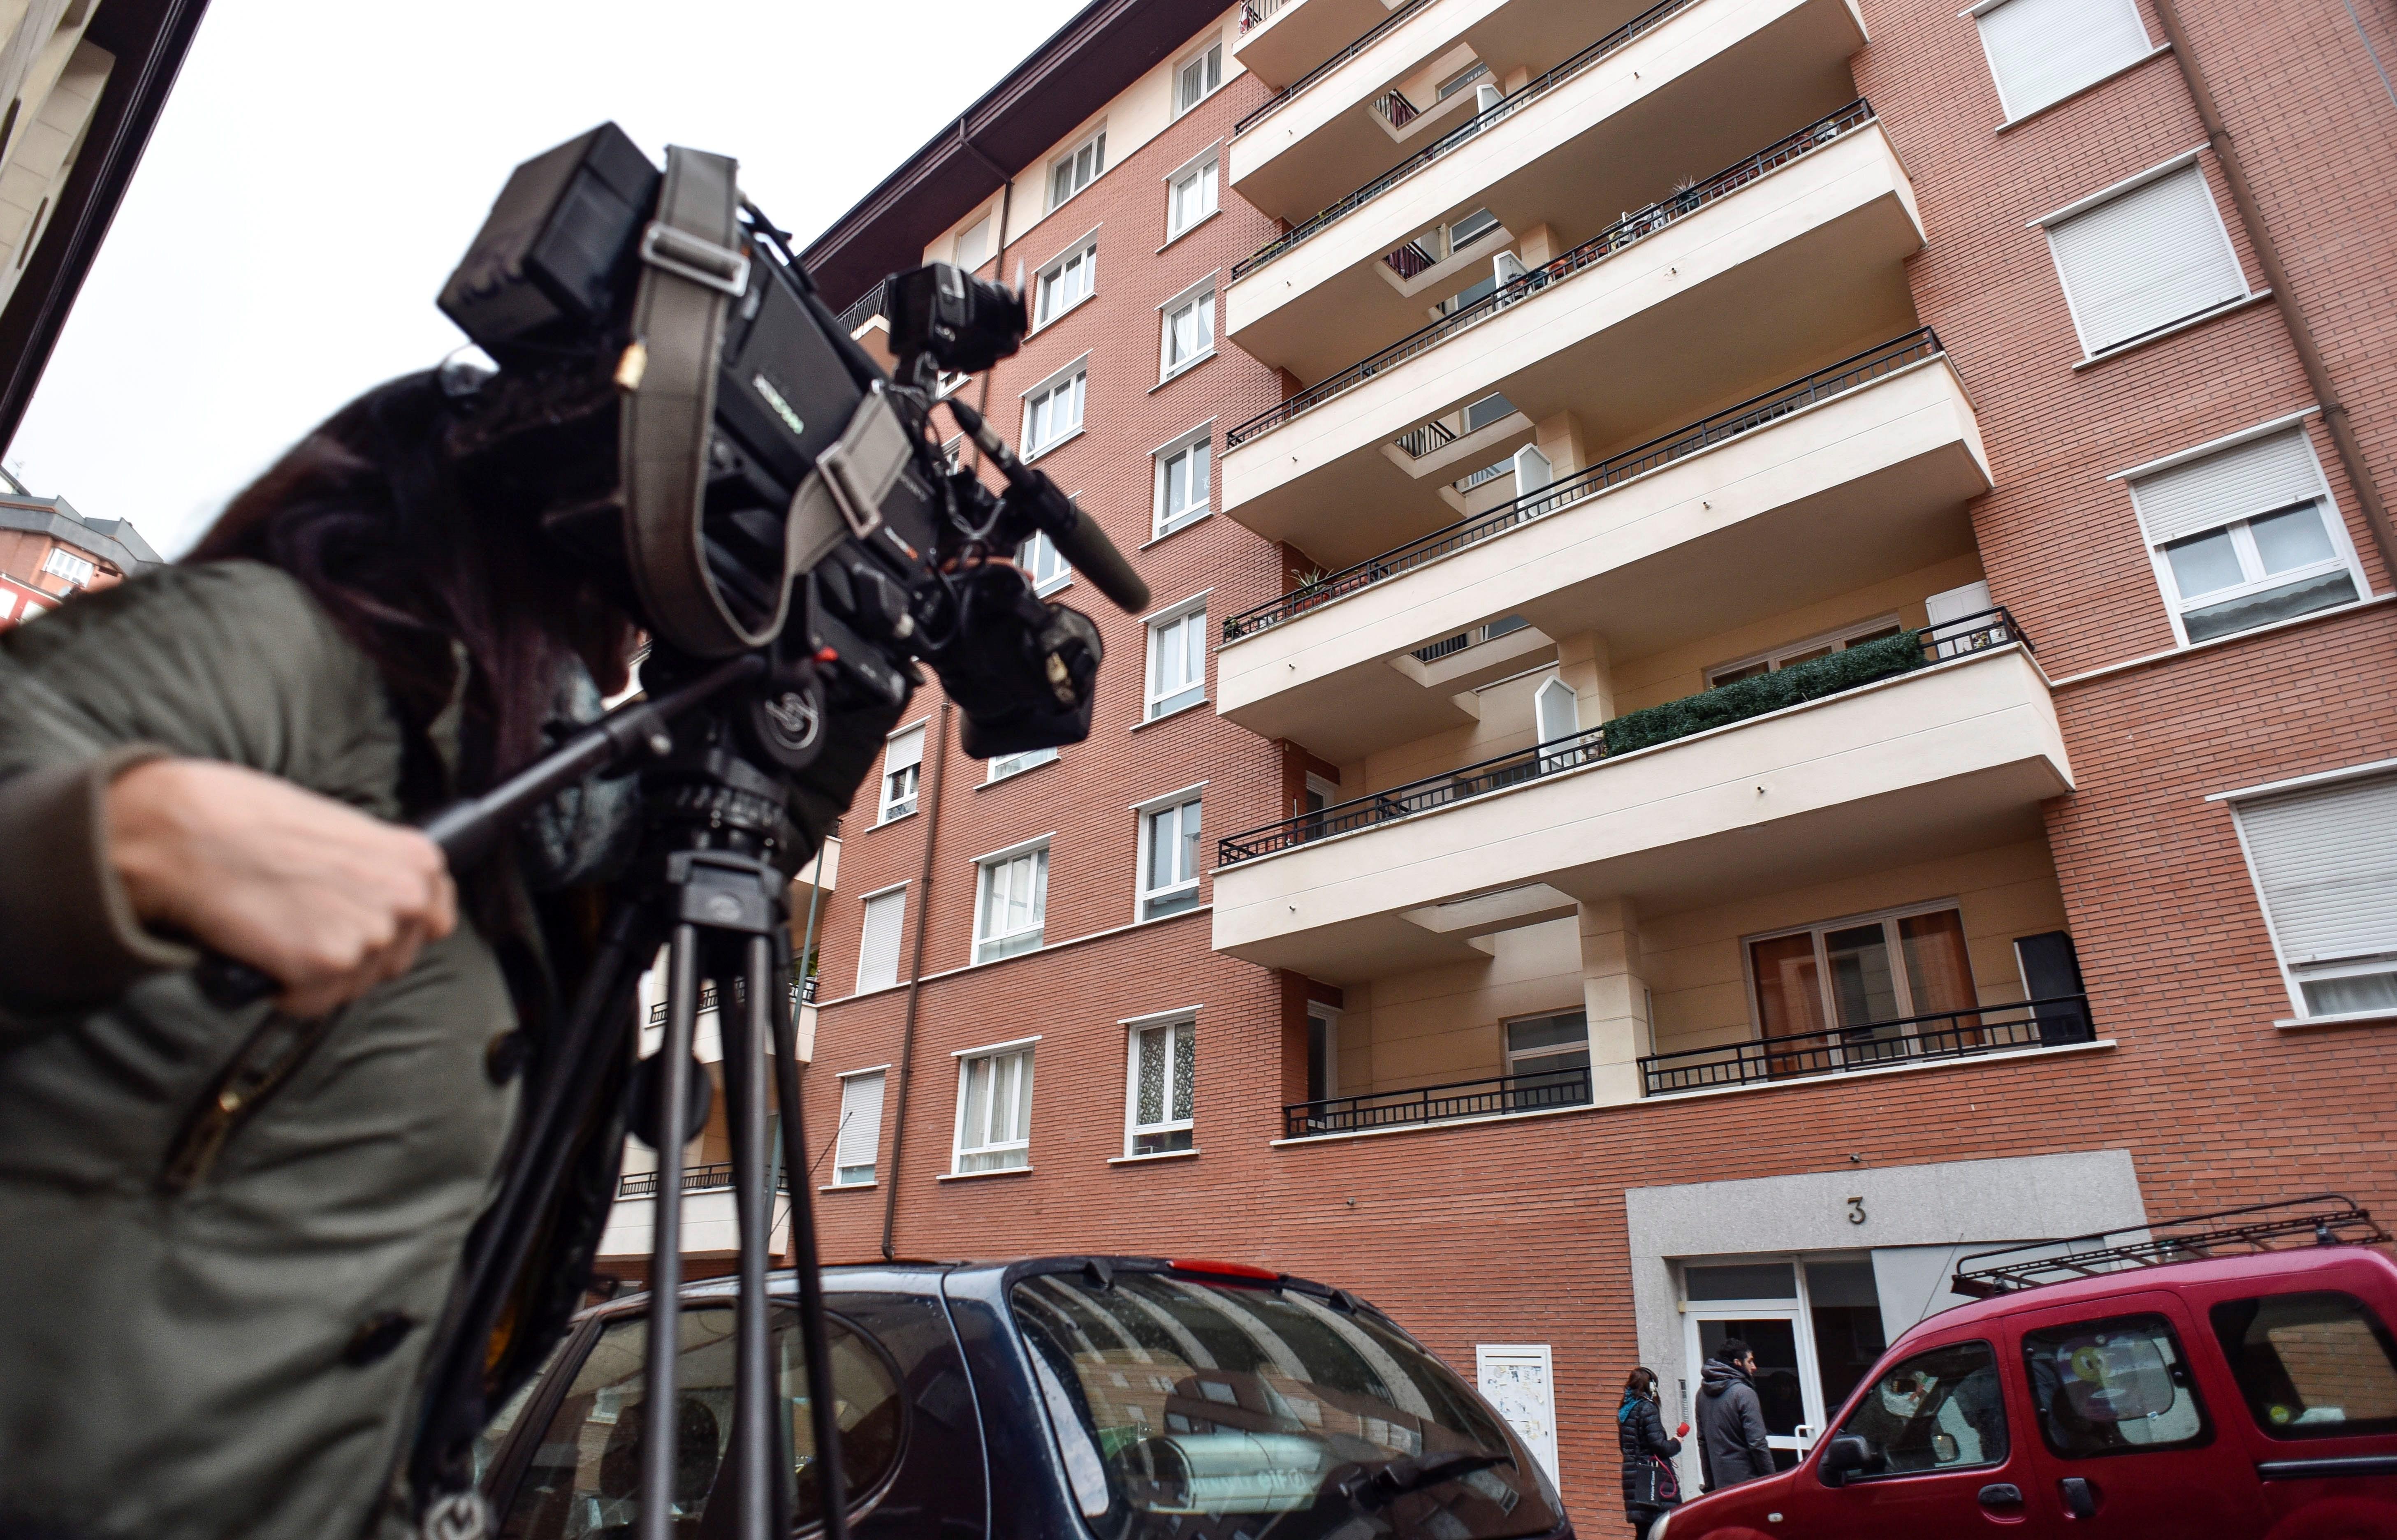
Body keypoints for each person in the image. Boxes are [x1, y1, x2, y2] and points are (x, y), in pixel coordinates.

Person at [0, 369, 656, 1540]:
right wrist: (129, 839)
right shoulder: (267, 646)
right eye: (615, 600)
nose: (618, 665)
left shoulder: (508, 820)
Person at [1694, 1337, 1776, 1490]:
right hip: (1748, 1485)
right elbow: (1757, 1443)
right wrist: (1772, 1482)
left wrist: (1710, 1486)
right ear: (1738, 1363)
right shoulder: (1744, 1393)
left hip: (1720, 1487)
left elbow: (1703, 1442)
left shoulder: (1701, 1395)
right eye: (1750, 1361)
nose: (1754, 1367)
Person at [1617, 1367, 1683, 1538]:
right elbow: (1660, 1446)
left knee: (1644, 1532)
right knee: (1662, 1531)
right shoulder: (1647, 1408)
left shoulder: (1625, 1409)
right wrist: (1676, 1442)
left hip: (1633, 1479)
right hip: (1652, 1479)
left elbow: (1624, 1447)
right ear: (1651, 1386)